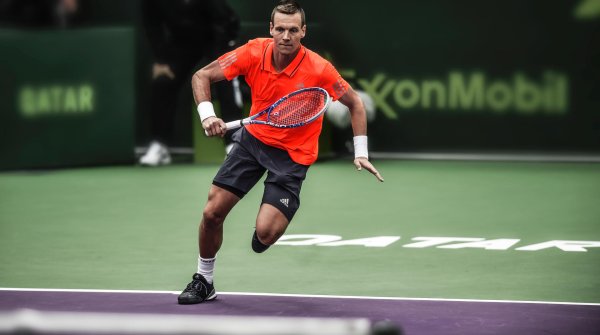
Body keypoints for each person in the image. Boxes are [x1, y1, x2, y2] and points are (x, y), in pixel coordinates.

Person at [177, 0, 384, 304]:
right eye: (281, 29)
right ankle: (204, 280)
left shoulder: (319, 69)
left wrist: (360, 151)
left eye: (293, 30)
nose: (286, 36)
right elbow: (202, 77)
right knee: (211, 213)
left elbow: (355, 104)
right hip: (253, 142)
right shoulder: (252, 51)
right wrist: (207, 114)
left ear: (303, 32)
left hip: (293, 156)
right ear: (271, 29)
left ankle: (269, 225)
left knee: (265, 234)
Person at [139, 0, 244, 166]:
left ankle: (233, 145)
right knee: (162, 81)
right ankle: (160, 145)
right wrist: (161, 59)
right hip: (181, 43)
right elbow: (152, 24)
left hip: (216, 37)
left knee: (227, 79)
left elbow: (225, 19)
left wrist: (226, 49)